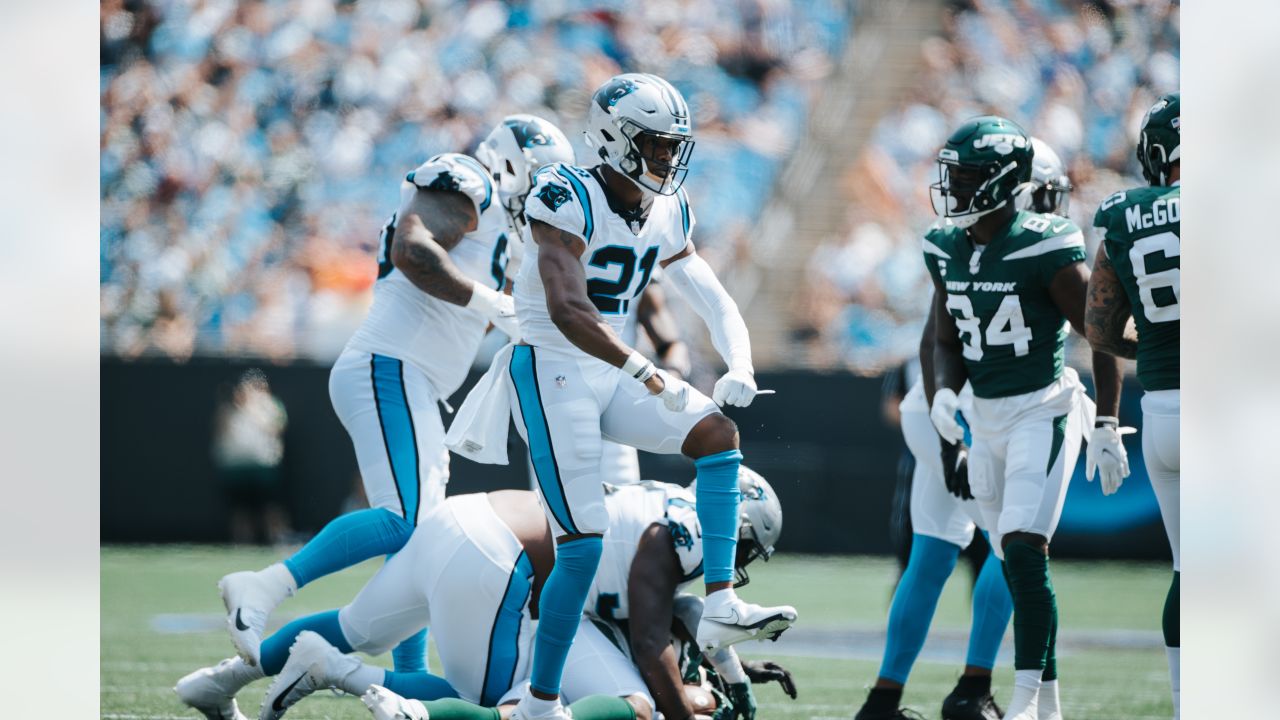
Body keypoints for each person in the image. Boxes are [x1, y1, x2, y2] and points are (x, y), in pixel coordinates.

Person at [215, 115, 576, 676]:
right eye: (540, 177)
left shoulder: (511, 232)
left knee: (422, 545)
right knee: (403, 520)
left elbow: (478, 319)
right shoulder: (468, 181)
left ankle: (404, 678)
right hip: (389, 364)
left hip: (417, 381)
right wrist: (490, 302)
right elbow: (413, 249)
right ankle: (264, 584)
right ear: (510, 163)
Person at [495, 73, 796, 720]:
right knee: (582, 547)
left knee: (717, 433)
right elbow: (569, 309)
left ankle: (719, 604)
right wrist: (646, 372)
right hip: (552, 369)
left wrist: (739, 360)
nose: (666, 157)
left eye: (671, 146)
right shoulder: (564, 193)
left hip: (609, 370)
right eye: (655, 144)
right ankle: (541, 703)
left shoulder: (665, 208)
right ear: (611, 137)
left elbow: (710, 294)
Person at [174, 470, 791, 720]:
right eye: (741, 550)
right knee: (493, 704)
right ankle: (340, 675)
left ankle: (220, 681)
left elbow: (668, 616)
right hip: (498, 558)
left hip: (466, 517)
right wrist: (685, 707)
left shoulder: (664, 505)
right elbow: (652, 634)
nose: (735, 568)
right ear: (729, 523)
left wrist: (730, 673)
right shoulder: (677, 534)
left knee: (356, 621)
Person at [856, 135, 1073, 720]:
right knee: (1014, 551)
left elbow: (935, 338)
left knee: (930, 556)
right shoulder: (1030, 251)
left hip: (936, 409)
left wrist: (943, 413)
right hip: (978, 415)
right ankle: (975, 689)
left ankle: (884, 698)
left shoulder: (967, 249)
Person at [924, 117, 1122, 720]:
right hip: (983, 419)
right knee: (1014, 567)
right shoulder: (945, 246)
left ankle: (1023, 703)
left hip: (1044, 409)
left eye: (964, 178)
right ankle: (1051, 707)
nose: (952, 188)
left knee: (1022, 552)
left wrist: (1109, 421)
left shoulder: (1045, 243)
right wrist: (943, 402)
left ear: (1000, 183)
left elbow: (1101, 330)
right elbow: (945, 340)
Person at [1083, 92, 1180, 719]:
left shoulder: (1124, 213)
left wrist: (1107, 419)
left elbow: (1098, 330)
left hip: (1165, 412)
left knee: (1191, 573)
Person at [212, 369, 291, 545]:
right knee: (240, 509)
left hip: (263, 466)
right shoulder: (228, 410)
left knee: (271, 506)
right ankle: (242, 542)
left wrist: (253, 409)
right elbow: (221, 431)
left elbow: (276, 428)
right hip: (236, 467)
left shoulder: (271, 406)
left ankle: (278, 539)